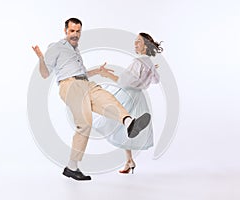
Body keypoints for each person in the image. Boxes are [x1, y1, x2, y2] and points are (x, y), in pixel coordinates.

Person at [32, 18, 151, 181]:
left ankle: (129, 122)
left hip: (85, 83)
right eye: (72, 31)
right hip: (70, 86)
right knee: (85, 123)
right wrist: (40, 58)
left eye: (78, 31)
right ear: (65, 31)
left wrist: (98, 71)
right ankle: (72, 167)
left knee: (107, 99)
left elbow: (82, 73)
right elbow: (45, 74)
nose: (75, 34)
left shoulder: (76, 50)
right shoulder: (57, 47)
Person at [96, 32, 163, 174]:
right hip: (139, 97)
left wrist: (106, 74)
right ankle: (129, 161)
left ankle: (128, 160)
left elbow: (124, 82)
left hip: (129, 95)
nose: (135, 44)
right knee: (125, 127)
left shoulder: (138, 62)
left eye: (138, 41)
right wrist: (151, 70)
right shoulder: (148, 62)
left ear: (145, 45)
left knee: (109, 121)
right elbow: (156, 80)